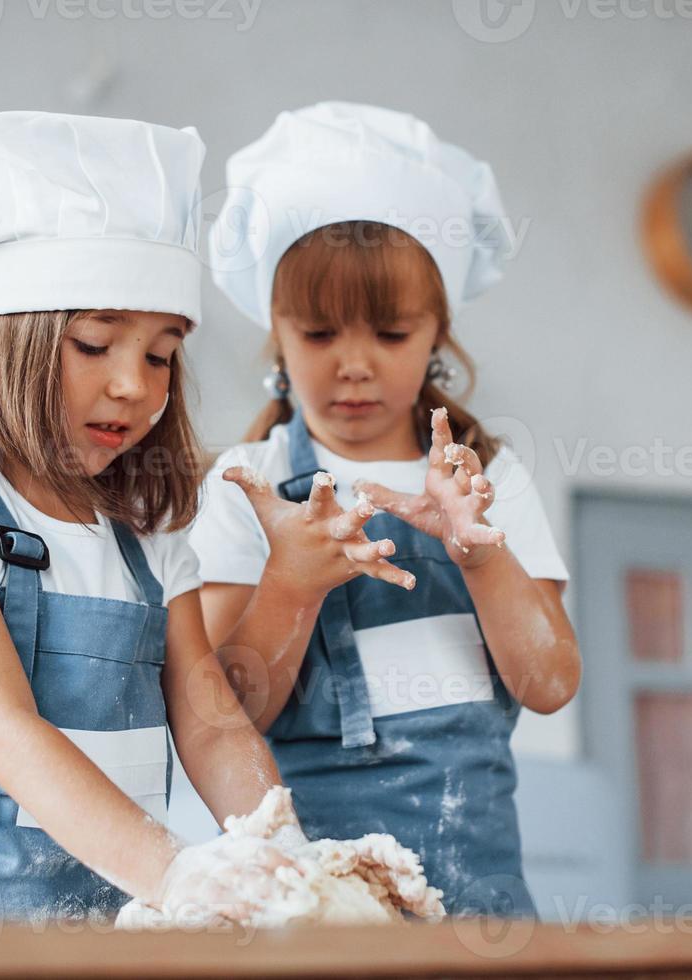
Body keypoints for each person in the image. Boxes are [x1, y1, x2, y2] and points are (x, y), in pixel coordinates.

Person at [0, 110, 294, 925]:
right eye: (96, 344)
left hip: (98, 936)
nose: (135, 384)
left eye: (160, 354)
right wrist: (178, 874)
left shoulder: (151, 540)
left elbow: (212, 722)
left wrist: (287, 866)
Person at [191, 102, 581, 917]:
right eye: (321, 332)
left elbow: (548, 682)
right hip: (313, 903)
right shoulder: (249, 485)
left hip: (481, 901)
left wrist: (481, 552)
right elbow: (227, 710)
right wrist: (291, 587)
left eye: (392, 332)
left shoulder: (491, 479)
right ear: (277, 332)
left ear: (437, 330)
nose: (355, 365)